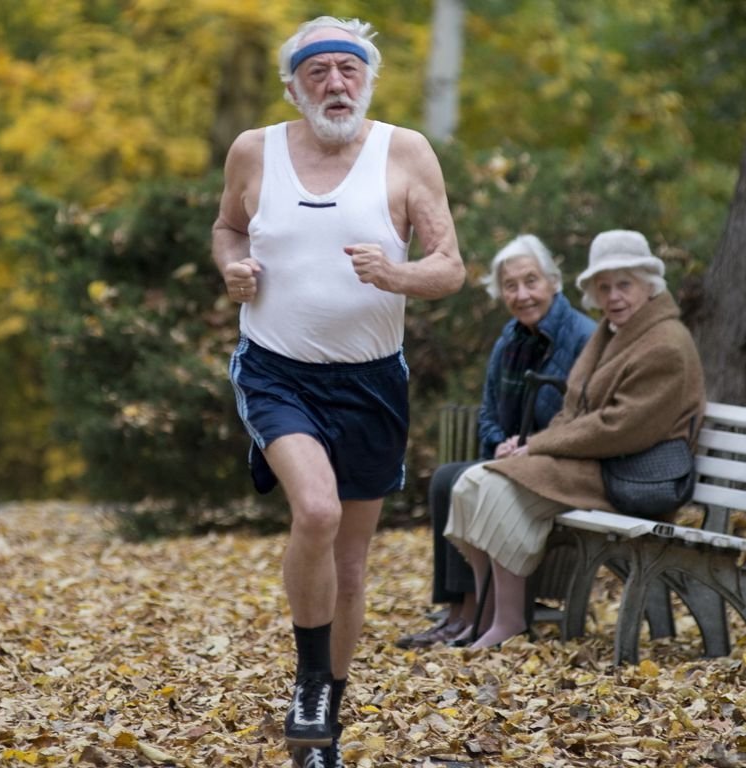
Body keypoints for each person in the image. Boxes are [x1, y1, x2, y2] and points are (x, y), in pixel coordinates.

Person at [212, 15, 464, 767]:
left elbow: (450, 266)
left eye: (347, 70)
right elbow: (227, 229)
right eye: (317, 71)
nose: (335, 83)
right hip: (276, 369)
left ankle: (325, 722)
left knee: (351, 567)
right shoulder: (254, 151)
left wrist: (400, 275)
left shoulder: (405, 152)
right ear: (294, 86)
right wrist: (232, 269)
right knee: (315, 510)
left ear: (369, 79)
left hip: (371, 381)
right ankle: (309, 684)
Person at [443, 229, 705, 649]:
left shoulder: (666, 345)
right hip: (598, 462)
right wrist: (525, 446)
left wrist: (539, 446)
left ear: (648, 285)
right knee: (470, 485)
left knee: (491, 486)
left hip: (632, 473)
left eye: (624, 284)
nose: (614, 296)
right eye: (604, 287)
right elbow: (574, 407)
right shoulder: (613, 332)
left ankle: (509, 622)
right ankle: (492, 615)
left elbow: (620, 426)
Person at [394, 234, 594, 649]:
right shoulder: (510, 341)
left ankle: (476, 611)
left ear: (554, 283)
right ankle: (458, 611)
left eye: (531, 281)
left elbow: (583, 417)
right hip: (514, 457)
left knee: (461, 480)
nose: (521, 294)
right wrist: (500, 440)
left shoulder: (581, 337)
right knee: (446, 478)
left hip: (557, 463)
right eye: (510, 286)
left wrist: (532, 443)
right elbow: (487, 411)